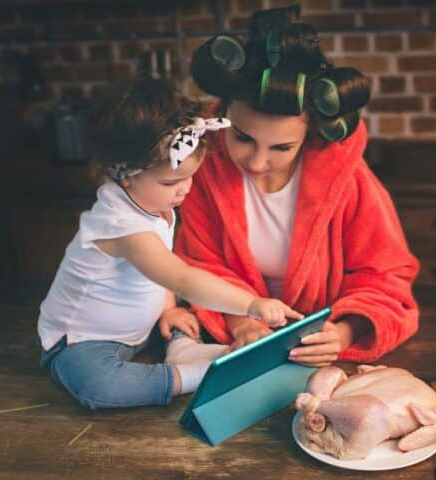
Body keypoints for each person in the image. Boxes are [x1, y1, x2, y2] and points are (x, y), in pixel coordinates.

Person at [175, 4, 420, 367]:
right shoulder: (202, 172)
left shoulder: (348, 180)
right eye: (242, 138)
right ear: (224, 116)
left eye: (282, 147)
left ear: (309, 136)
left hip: (321, 347)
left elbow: (385, 276)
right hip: (235, 342)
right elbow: (198, 264)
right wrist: (243, 323)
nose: (257, 162)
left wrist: (342, 333)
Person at [36, 77, 302, 409]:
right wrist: (250, 304)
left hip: (142, 329)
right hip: (82, 343)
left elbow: (160, 269)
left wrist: (169, 308)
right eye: (171, 181)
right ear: (126, 175)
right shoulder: (121, 225)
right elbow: (180, 277)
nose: (184, 189)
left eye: (190, 176)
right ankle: (197, 373)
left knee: (184, 319)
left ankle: (183, 347)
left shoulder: (156, 201)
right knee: (99, 387)